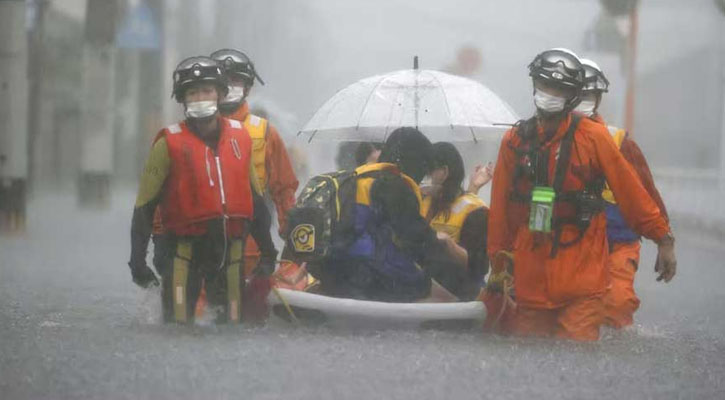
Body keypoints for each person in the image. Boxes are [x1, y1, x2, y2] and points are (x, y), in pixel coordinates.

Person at [487, 48, 676, 341]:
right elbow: (500, 208)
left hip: (582, 271)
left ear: (571, 96)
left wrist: (663, 238)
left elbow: (632, 194)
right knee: (527, 352)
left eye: (558, 88)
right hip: (531, 271)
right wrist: (497, 265)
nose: (549, 92)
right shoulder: (514, 141)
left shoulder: (594, 137)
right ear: (535, 85)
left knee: (577, 353)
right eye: (545, 84)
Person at [127, 56, 278, 324]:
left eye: (206, 91)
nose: (200, 98)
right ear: (182, 99)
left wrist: (268, 252)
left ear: (220, 94)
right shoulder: (168, 143)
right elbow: (144, 208)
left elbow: (255, 200)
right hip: (184, 254)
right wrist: (138, 261)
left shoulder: (241, 138)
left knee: (232, 326)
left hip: (231, 254)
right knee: (178, 327)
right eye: (193, 92)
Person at [575, 58, 669, 329]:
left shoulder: (619, 142)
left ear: (598, 99)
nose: (581, 100)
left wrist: (664, 240)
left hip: (618, 244)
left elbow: (646, 195)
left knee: (616, 304)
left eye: (587, 94)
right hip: (571, 245)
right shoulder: (545, 139)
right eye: (576, 94)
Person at [322, 127, 456, 302]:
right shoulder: (396, 185)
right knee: (429, 286)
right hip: (366, 274)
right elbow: (418, 240)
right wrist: (457, 272)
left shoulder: (358, 177)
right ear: (415, 161)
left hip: (331, 269)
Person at [210, 49, 298, 275]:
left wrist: (291, 238)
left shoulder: (265, 132)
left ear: (247, 87)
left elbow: (284, 189)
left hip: (252, 251)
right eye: (223, 80)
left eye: (235, 80)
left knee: (248, 307)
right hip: (202, 249)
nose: (229, 86)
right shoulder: (190, 132)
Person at [420, 142, 491, 300]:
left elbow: (480, 267)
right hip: (427, 287)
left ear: (444, 172)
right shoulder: (424, 201)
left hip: (459, 292)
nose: (426, 179)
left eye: (430, 173)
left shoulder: (475, 211)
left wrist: (448, 243)